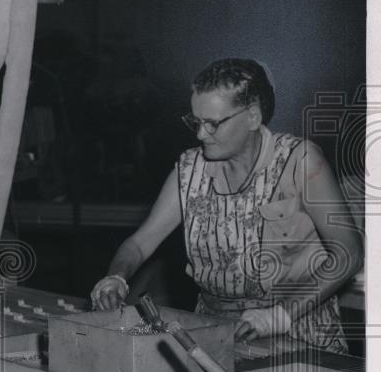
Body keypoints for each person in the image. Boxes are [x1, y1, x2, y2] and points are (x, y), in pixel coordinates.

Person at [90, 58, 363, 353]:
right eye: (195, 121)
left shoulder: (299, 161)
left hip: (299, 333)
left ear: (253, 117)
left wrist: (280, 316)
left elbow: (348, 252)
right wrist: (116, 276)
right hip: (217, 334)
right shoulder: (189, 169)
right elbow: (141, 243)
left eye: (213, 124)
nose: (200, 134)